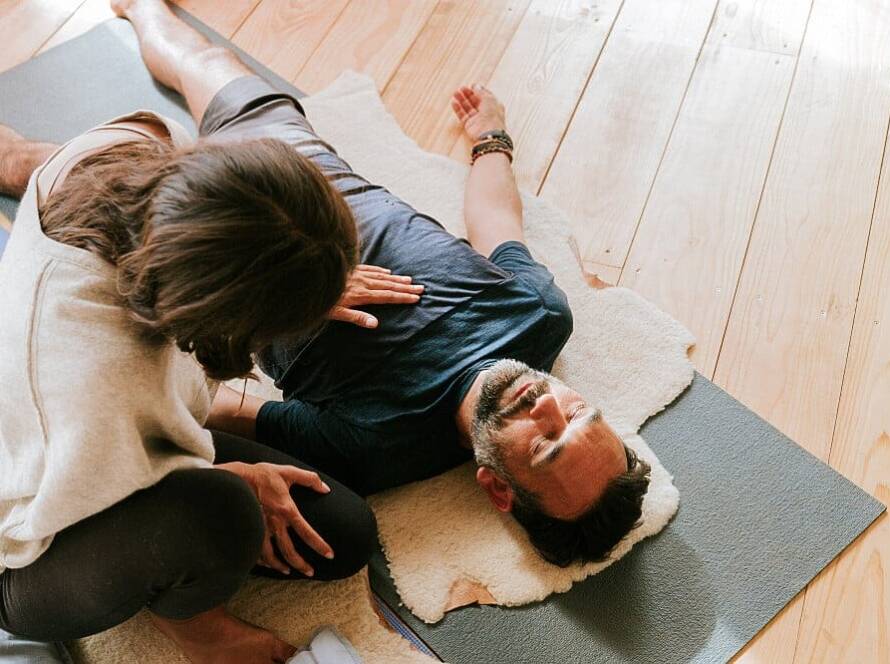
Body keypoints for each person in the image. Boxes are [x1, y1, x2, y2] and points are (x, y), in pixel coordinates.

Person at [0, 1, 431, 661]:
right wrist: (222, 472)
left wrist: (308, 261)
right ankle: (198, 634)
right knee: (219, 518)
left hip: (96, 442)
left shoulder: (142, 147)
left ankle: (12, 158)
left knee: (340, 534)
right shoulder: (101, 377)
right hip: (32, 536)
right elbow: (82, 503)